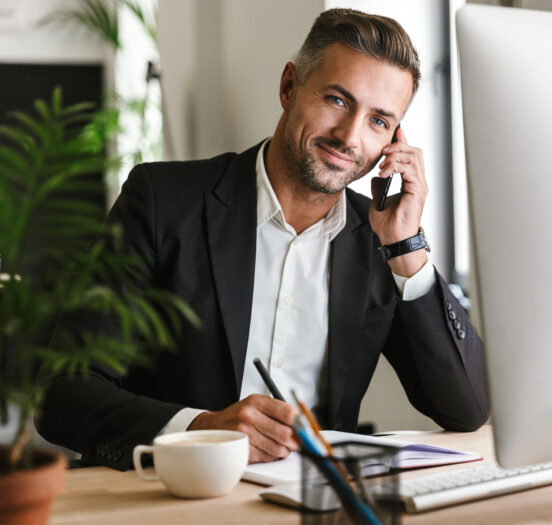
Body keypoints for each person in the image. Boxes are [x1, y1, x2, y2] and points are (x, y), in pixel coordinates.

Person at [37, 8, 487, 469]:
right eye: (336, 99)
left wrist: (406, 248)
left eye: (378, 122)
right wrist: (201, 430)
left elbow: (466, 407)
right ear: (289, 86)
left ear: (395, 139)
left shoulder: (379, 239)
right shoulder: (161, 201)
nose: (349, 136)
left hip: (316, 502)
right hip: (173, 497)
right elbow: (64, 393)